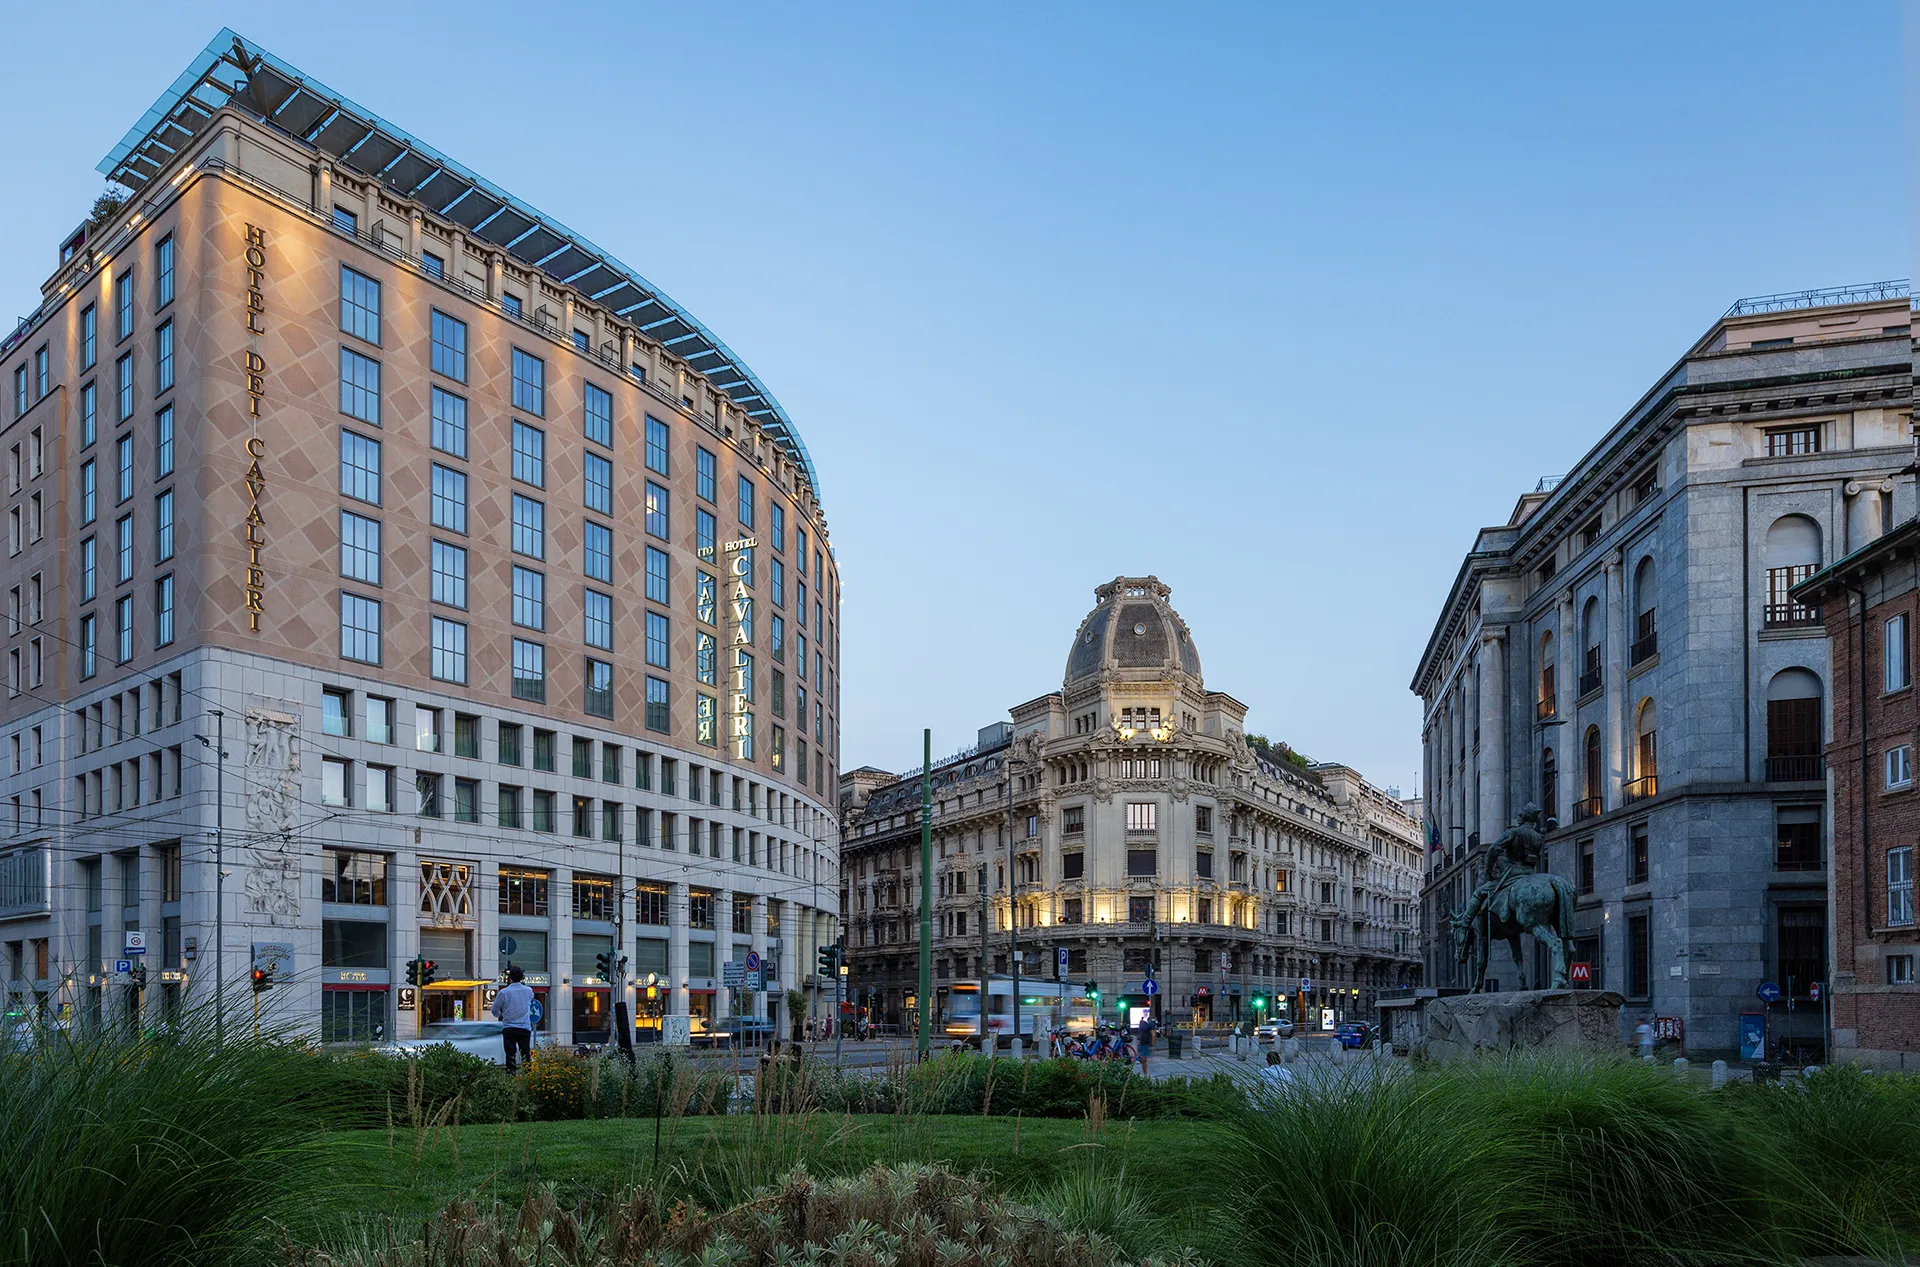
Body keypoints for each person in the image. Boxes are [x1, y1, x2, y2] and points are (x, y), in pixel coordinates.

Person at [490, 966, 536, 1072]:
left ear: (509, 978)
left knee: (510, 1055)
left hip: (509, 1027)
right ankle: (529, 1077)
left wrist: (500, 1015)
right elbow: (531, 999)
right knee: (525, 1054)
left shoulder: (504, 992)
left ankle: (511, 1077)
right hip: (524, 1027)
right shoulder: (528, 991)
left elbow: (494, 1010)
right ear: (522, 977)